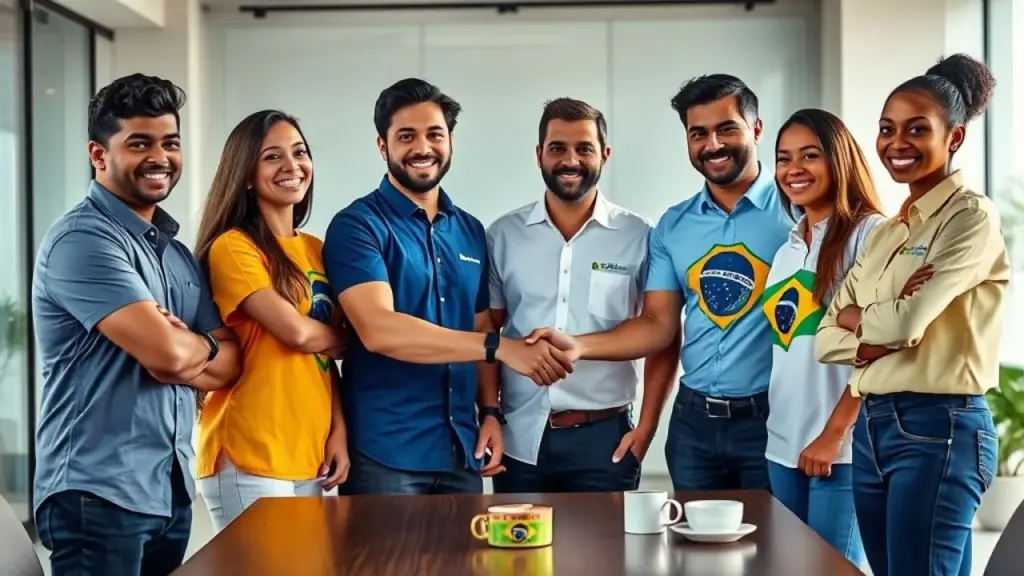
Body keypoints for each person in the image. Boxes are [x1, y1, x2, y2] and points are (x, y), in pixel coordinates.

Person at [527, 74, 792, 492]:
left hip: (775, 416)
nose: (713, 144)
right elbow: (659, 325)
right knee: (694, 536)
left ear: (756, 129)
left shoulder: (798, 211)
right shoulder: (673, 226)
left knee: (778, 534)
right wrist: (579, 346)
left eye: (726, 129)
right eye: (698, 133)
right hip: (694, 426)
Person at [31, 74, 241, 576]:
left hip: (167, 489)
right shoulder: (83, 240)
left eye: (170, 143)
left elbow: (230, 364)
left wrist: (190, 347)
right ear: (98, 154)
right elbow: (168, 356)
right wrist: (188, 349)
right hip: (97, 493)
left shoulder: (175, 254)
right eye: (139, 144)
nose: (160, 157)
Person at [322, 78, 575, 495]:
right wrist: (501, 347)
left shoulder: (470, 230)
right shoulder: (358, 226)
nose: (423, 147)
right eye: (406, 136)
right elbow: (379, 330)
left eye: (435, 134)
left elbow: (480, 324)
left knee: (470, 545)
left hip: (461, 451)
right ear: (383, 146)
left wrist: (489, 411)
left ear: (451, 142)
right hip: (386, 453)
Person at [815, 53, 1006, 576]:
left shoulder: (969, 216)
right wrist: (876, 325)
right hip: (874, 425)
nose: (896, 143)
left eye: (917, 129)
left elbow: (904, 324)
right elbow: (825, 336)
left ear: (954, 137)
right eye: (887, 129)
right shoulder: (888, 232)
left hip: (938, 426)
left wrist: (866, 317)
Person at [486, 98, 680, 493]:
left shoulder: (640, 236)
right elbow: (486, 332)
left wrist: (646, 428)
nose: (570, 160)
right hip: (519, 438)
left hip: (606, 441)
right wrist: (488, 412)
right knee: (518, 536)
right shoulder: (502, 235)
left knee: (605, 539)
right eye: (557, 148)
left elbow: (662, 332)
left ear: (604, 155)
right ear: (539, 154)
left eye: (584, 148)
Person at [192, 110, 348, 532]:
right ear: (245, 174)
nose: (291, 165)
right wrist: (343, 338)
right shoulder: (233, 247)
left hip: (308, 448)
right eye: (272, 156)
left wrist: (338, 430)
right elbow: (295, 332)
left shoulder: (316, 249)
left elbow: (321, 360)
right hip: (251, 447)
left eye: (299, 152)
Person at [761, 109, 884, 565]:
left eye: (810, 155)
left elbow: (884, 345)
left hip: (843, 450)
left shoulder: (870, 234)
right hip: (782, 446)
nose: (794, 169)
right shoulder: (787, 249)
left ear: (839, 160)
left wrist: (834, 434)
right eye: (784, 158)